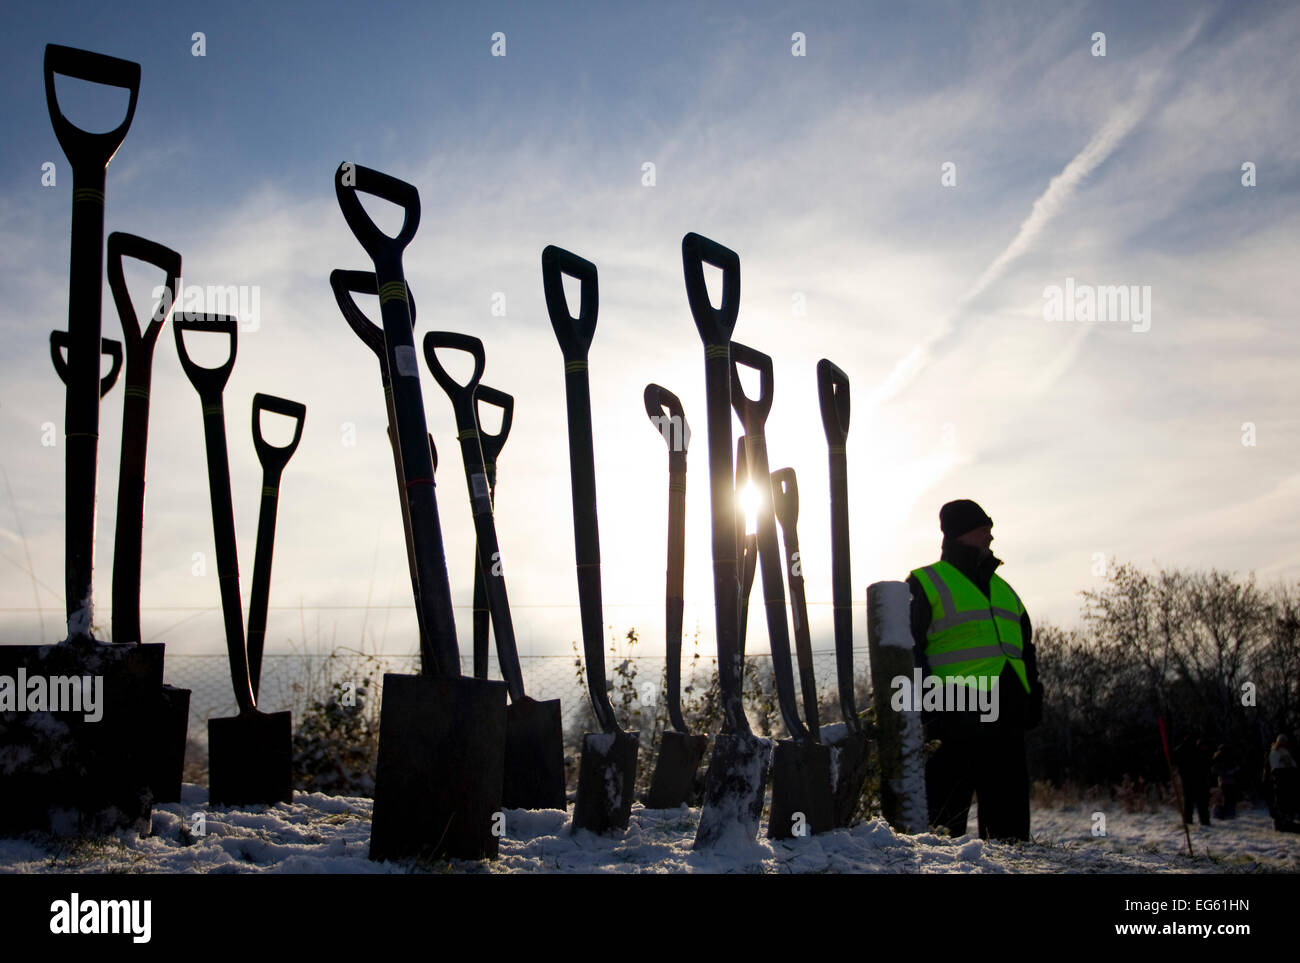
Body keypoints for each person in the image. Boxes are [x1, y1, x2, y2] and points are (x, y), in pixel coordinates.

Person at [906, 499, 1042, 841]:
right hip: (953, 719)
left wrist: (1033, 697)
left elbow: (1026, 651)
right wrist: (927, 708)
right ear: (962, 533)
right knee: (942, 830)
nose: (990, 537)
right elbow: (910, 652)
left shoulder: (1006, 590)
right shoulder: (924, 582)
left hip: (1008, 717)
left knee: (1010, 835)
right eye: (984, 529)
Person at [1173, 733, 1212, 827]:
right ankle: (1204, 820)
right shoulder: (1194, 749)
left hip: (1187, 779)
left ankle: (1189, 820)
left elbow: (1174, 760)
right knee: (1201, 801)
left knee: (1189, 801)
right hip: (1197, 778)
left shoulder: (1181, 749)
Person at [1265, 734, 1298, 832]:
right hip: (1280, 780)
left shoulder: (1287, 753)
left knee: (1289, 801)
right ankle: (1280, 823)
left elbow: (1293, 765)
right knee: (1280, 801)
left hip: (1289, 780)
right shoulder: (1274, 753)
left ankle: (1288, 820)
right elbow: (1275, 767)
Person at [1211, 744, 1240, 819]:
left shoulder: (1218, 757)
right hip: (1229, 781)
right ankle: (1229, 813)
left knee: (1226, 798)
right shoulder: (1228, 757)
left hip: (1223, 781)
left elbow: (1215, 770)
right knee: (1230, 798)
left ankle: (1225, 813)